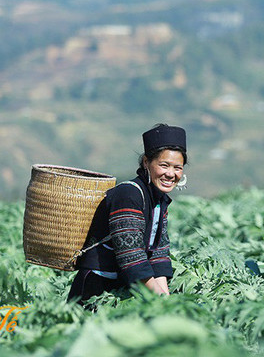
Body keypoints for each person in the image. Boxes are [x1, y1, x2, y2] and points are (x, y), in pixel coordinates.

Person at [68, 123, 187, 303]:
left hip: (125, 290)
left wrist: (166, 300)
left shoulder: (160, 199)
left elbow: (159, 253)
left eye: (177, 168)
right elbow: (131, 257)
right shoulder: (129, 194)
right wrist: (162, 301)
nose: (171, 174)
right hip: (97, 291)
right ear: (147, 162)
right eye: (164, 165)